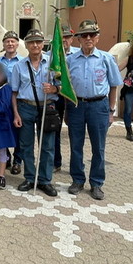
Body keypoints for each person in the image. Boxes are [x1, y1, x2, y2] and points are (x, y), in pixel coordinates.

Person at [66, 20, 123, 200]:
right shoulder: (70, 60)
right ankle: (77, 180)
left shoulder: (106, 59)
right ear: (79, 39)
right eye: (84, 35)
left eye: (92, 35)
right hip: (76, 106)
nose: (88, 38)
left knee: (99, 147)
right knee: (76, 145)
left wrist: (111, 111)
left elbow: (114, 85)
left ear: (97, 38)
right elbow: (65, 86)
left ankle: (97, 183)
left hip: (99, 106)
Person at [11, 29, 60, 197]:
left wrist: (54, 88)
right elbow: (14, 93)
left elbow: (64, 87)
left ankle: (45, 180)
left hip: (47, 107)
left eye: (38, 42)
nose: (35, 45)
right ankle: (30, 177)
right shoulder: (19, 66)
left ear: (43, 44)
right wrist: (16, 114)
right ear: (26, 45)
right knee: (26, 145)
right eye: (31, 42)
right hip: (25, 107)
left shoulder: (53, 63)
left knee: (47, 146)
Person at [0, 30, 24, 174]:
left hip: (19, 100)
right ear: (4, 44)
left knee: (19, 131)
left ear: (17, 44)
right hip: (1, 101)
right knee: (2, 129)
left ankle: (18, 160)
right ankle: (5, 158)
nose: (10, 44)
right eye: (7, 41)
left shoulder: (24, 62)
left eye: (13, 41)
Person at [51, 25, 80, 173]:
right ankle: (56, 162)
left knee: (75, 132)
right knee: (54, 130)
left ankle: (76, 167)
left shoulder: (77, 55)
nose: (64, 40)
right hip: (56, 98)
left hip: (74, 98)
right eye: (61, 37)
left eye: (67, 37)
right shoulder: (51, 56)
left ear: (72, 39)